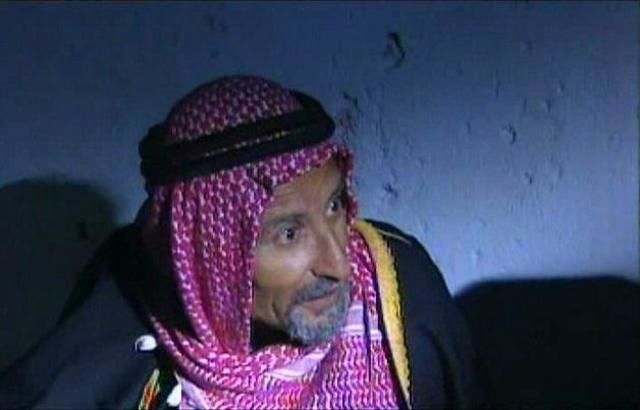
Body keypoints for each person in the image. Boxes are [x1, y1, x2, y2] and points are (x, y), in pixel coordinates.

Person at [0, 75, 481, 409]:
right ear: (205, 257)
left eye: (335, 206)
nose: (339, 263)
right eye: (288, 233)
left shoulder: (395, 285)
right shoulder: (120, 340)